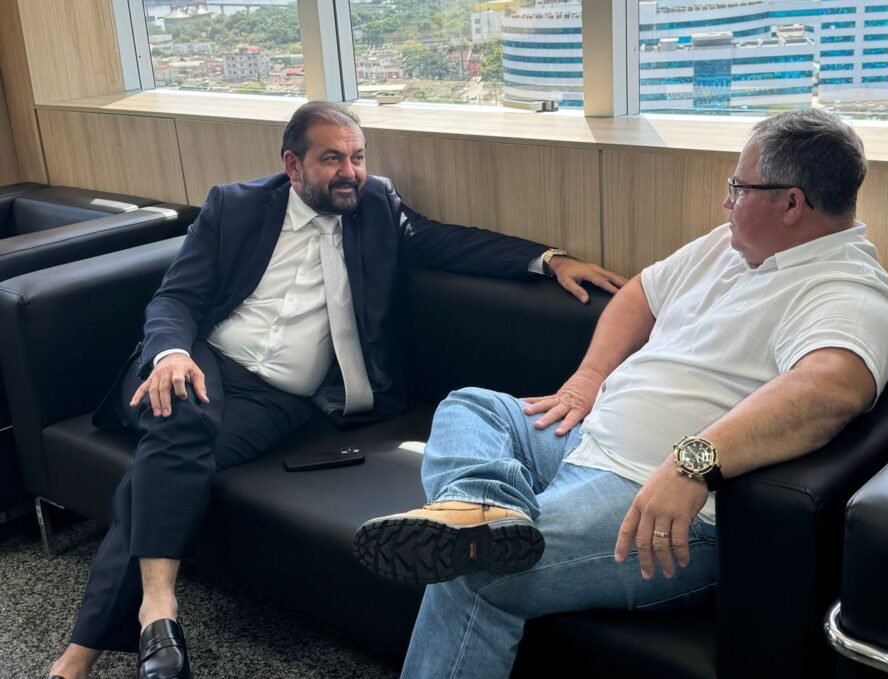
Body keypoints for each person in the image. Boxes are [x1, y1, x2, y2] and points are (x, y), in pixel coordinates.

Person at [46, 101, 626, 679]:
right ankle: (147, 613)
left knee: (168, 459)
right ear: (292, 165)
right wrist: (171, 353)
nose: (350, 172)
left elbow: (452, 242)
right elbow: (177, 298)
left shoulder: (377, 207)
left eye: (357, 157)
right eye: (332, 159)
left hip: (278, 399)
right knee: (184, 415)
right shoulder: (236, 206)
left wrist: (549, 260)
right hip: (202, 361)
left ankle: (104, 641)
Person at [353, 108, 888, 678]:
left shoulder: (849, 292)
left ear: (791, 203)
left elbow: (829, 391)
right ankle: (481, 507)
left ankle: (484, 530)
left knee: (474, 569)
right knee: (473, 405)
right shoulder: (729, 246)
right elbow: (640, 295)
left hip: (659, 501)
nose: (726, 202)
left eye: (738, 188)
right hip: (584, 439)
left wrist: (691, 464)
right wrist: (587, 380)